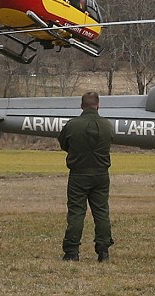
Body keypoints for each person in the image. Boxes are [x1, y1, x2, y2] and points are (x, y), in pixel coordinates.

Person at [58, 92, 114, 262]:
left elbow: (64, 144)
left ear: (81, 106)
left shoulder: (72, 125)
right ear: (98, 105)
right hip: (101, 174)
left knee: (76, 212)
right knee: (101, 212)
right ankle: (103, 250)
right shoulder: (107, 125)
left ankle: (72, 251)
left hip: (78, 174)